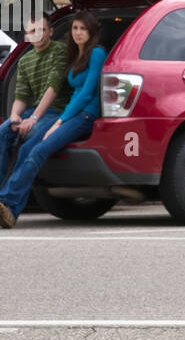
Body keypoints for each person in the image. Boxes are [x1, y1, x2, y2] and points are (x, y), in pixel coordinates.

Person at [0, 12, 106, 229]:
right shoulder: (75, 54)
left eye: (82, 29)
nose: (77, 33)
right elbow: (23, 92)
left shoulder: (96, 53)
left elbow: (86, 94)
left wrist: (58, 122)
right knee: (27, 147)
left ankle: (8, 202)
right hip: (70, 113)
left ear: (91, 32)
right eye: (74, 28)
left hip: (84, 115)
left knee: (37, 150)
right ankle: (8, 208)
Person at [0, 13, 69, 184]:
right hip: (35, 111)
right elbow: (21, 95)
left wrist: (33, 118)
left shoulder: (59, 50)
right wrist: (15, 115)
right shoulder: (24, 61)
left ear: (51, 32)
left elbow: (53, 88)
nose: (36, 34)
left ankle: (15, 185)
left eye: (41, 30)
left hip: (59, 111)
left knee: (31, 131)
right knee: (3, 131)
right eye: (31, 31)